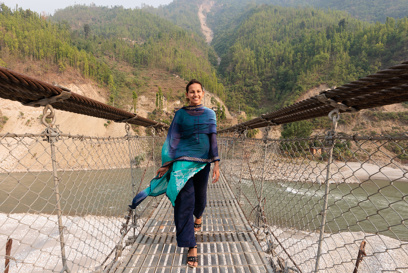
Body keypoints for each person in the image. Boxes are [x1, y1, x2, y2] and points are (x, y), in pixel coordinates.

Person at [129, 79, 220, 268]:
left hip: (203, 163)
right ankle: (191, 245)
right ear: (187, 95)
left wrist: (216, 163)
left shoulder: (210, 114)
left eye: (198, 91)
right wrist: (167, 163)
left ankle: (199, 216)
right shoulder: (180, 115)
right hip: (181, 164)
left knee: (200, 198)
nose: (195, 94)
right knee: (185, 200)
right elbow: (173, 138)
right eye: (191, 92)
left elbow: (213, 140)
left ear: (203, 93)